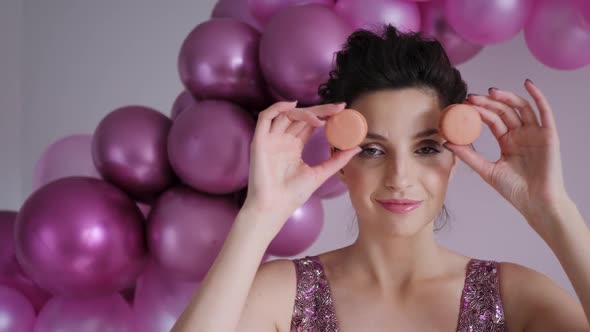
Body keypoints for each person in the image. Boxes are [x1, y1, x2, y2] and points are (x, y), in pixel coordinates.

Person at [171, 25, 590, 331]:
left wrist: (554, 211)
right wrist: (260, 214)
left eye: (426, 148)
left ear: (455, 158)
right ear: (340, 156)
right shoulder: (283, 294)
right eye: (372, 150)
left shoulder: (517, 297)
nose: (399, 177)